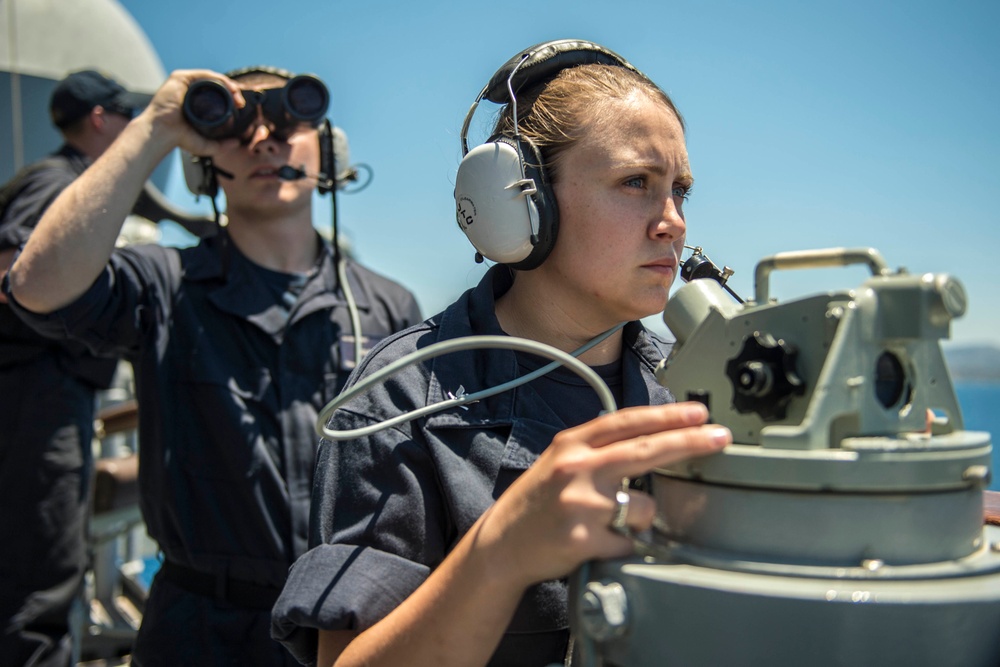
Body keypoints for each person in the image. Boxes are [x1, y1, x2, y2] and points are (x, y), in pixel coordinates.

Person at [270, 39, 732, 667]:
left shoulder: (699, 387)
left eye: (680, 189)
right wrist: (503, 551)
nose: (673, 221)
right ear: (520, 201)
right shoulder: (402, 397)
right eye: (635, 183)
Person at [5, 65, 422, 665]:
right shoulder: (164, 285)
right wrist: (154, 128)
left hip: (350, 622)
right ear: (204, 163)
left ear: (328, 154)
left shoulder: (387, 307)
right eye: (239, 126)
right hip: (201, 633)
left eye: (287, 120)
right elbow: (38, 287)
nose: (264, 139)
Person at [0, 69, 152, 666]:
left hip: (42, 395)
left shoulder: (54, 179)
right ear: (100, 120)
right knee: (43, 575)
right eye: (126, 117)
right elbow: (14, 269)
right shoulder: (60, 183)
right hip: (38, 396)